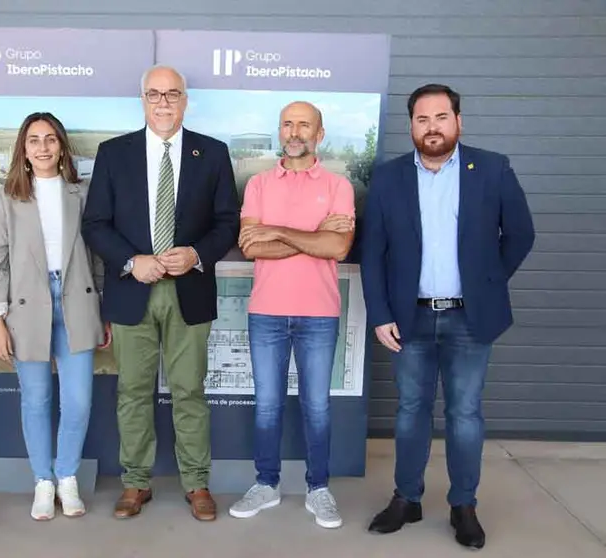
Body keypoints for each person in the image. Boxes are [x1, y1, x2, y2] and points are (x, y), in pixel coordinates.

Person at [361, 84, 535, 549]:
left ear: (459, 121)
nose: (432, 127)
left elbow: (520, 233)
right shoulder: (389, 177)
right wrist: (379, 313)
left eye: (441, 117)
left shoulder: (492, 169)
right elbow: (372, 252)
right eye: (422, 119)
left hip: (469, 320)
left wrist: (488, 281)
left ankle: (464, 505)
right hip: (408, 319)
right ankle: (407, 499)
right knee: (410, 412)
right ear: (411, 126)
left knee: (464, 414)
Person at [81, 64, 239, 521]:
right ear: (143, 100)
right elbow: (96, 224)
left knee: (190, 390)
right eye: (154, 94)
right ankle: (135, 483)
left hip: (189, 291)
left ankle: (197, 483)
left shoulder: (211, 153)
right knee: (132, 390)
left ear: (185, 100)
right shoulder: (115, 153)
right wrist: (133, 261)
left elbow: (227, 220)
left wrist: (195, 254)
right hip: (135, 291)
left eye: (172, 94)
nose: (164, 102)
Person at [228, 101, 356, 529]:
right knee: (266, 406)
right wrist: (315, 237)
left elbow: (339, 248)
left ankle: (319, 489)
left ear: (320, 133)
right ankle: (266, 483)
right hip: (266, 312)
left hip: (319, 313)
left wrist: (279, 230)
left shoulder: (338, 186)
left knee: (316, 406)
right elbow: (251, 247)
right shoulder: (259, 184)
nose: (295, 131)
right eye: (287, 123)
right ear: (279, 131)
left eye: (304, 124)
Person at [0, 112, 110, 521]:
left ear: (61, 147)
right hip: (26, 307)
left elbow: (96, 256)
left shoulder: (82, 193)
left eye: (50, 139)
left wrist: (102, 310)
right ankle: (43, 481)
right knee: (36, 400)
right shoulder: (7, 198)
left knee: (78, 401)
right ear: (23, 148)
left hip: (76, 302)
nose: (42, 147)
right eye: (34, 140)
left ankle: (66, 477)